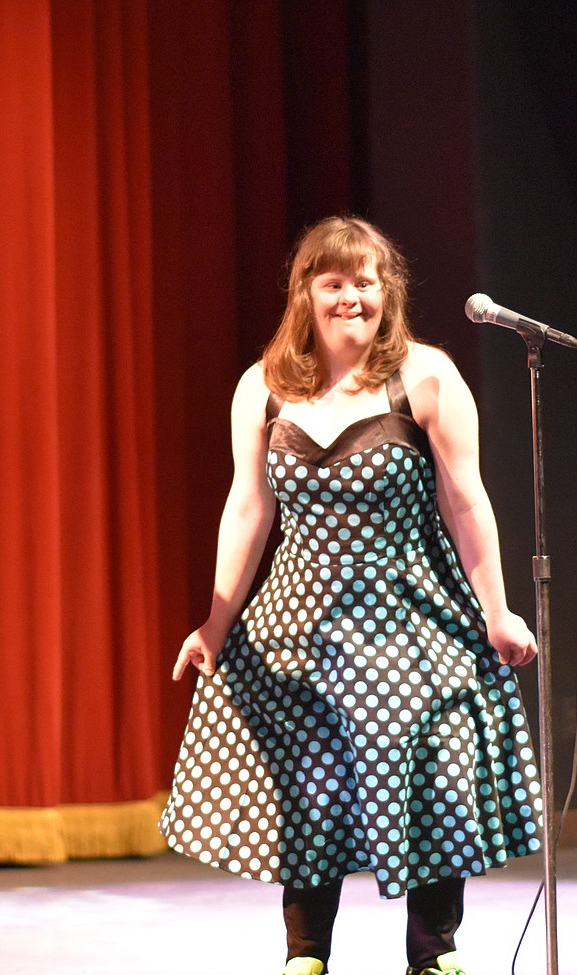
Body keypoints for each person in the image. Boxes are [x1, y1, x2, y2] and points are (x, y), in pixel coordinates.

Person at [161, 215, 542, 975]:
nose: (351, 297)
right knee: (311, 786)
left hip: (410, 616)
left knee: (437, 768)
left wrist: (497, 610)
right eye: (333, 282)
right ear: (305, 292)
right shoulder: (262, 389)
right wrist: (215, 619)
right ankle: (307, 953)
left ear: (386, 290)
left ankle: (434, 952)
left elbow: (468, 503)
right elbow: (249, 508)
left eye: (364, 281)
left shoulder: (426, 377)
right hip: (298, 623)